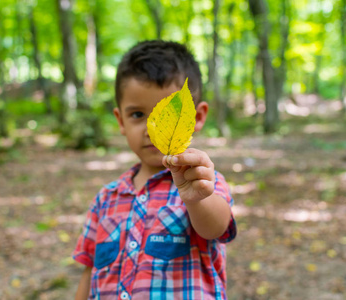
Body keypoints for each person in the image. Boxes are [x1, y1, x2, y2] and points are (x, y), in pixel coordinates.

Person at [73, 40, 237, 300]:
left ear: (196, 117)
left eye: (166, 116)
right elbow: (89, 270)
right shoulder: (106, 198)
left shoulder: (202, 182)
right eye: (138, 115)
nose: (152, 129)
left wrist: (196, 199)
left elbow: (216, 227)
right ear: (120, 121)